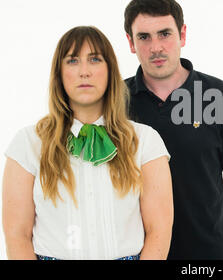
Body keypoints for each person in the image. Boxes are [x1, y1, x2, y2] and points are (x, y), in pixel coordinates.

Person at [2, 26, 173, 260]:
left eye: (94, 59)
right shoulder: (28, 143)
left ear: (110, 70)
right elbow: (16, 235)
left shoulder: (145, 141)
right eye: (72, 61)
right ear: (59, 74)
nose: (84, 72)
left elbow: (159, 231)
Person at [124, 0, 223, 259]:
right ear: (131, 42)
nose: (156, 47)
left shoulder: (221, 97)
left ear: (183, 35)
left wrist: (216, 241)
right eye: (144, 37)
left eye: (165, 33)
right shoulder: (115, 103)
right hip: (135, 253)